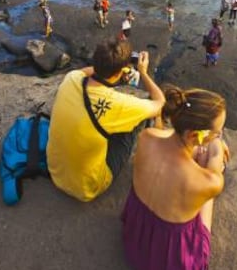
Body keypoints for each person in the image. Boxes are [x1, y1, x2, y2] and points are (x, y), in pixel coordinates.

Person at [122, 84, 230, 270]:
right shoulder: (207, 181)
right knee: (207, 195)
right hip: (170, 264)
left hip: (136, 237)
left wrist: (197, 147)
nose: (217, 135)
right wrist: (215, 149)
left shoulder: (147, 136)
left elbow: (168, 140)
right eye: (217, 132)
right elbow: (216, 171)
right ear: (193, 135)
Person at [47, 39, 165, 202]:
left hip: (56, 171)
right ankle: (158, 157)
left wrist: (112, 69)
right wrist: (143, 72)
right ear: (123, 70)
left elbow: (85, 72)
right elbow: (160, 104)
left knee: (102, 125)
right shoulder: (119, 105)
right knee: (139, 117)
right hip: (87, 188)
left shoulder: (71, 78)